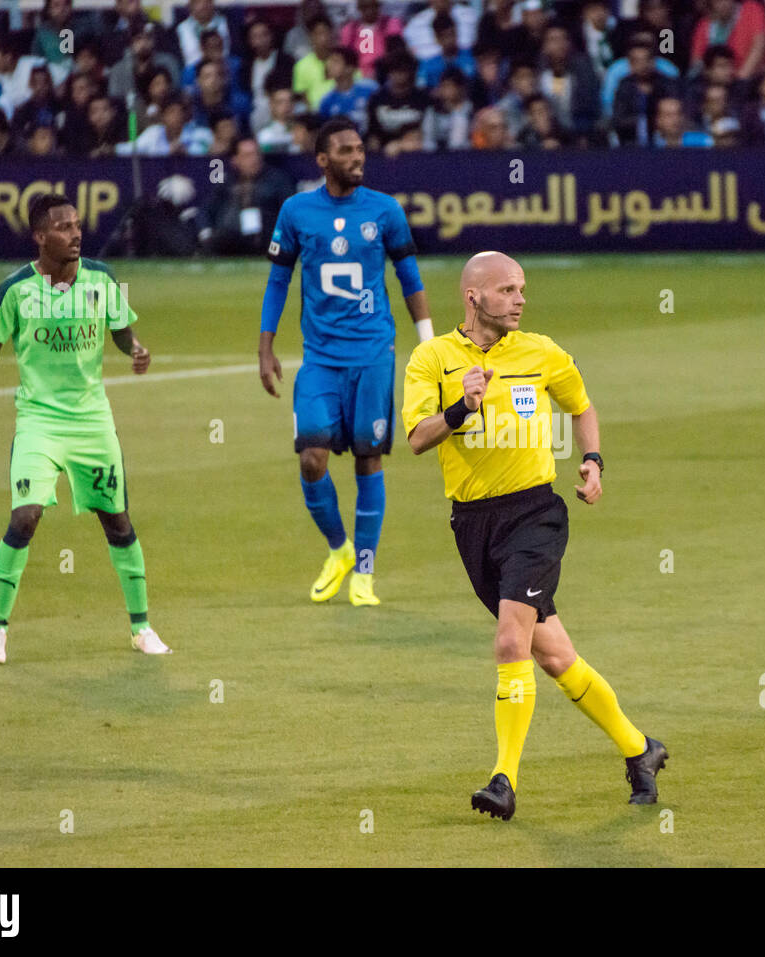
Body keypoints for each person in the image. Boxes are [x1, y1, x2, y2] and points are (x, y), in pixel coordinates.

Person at [400, 250, 668, 821]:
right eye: (507, 290)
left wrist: (593, 459)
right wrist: (459, 407)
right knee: (553, 656)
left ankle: (504, 780)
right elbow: (418, 439)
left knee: (508, 643)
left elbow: (581, 404)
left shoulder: (541, 352)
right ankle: (640, 749)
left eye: (522, 289)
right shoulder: (433, 359)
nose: (520, 299)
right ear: (473, 297)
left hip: (534, 517)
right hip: (472, 524)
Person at [0, 193, 170, 665]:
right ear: (39, 236)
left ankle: (141, 628)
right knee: (25, 517)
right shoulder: (15, 289)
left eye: (77, 225)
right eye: (63, 227)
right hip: (39, 421)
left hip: (93, 421)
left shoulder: (102, 278)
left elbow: (118, 328)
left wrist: (135, 347)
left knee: (117, 521)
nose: (75, 233)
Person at [257, 118, 435, 607]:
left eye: (360, 150)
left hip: (374, 353)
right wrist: (266, 344)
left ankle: (365, 572)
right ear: (322, 160)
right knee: (311, 457)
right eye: (346, 151)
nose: (357, 157)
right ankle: (339, 550)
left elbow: (408, 275)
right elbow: (278, 281)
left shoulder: (385, 210)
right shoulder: (296, 211)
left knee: (368, 457)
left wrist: (428, 341)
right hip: (320, 359)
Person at [198, 135, 294, 253]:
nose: (254, 160)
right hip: (230, 237)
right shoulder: (226, 182)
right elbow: (206, 209)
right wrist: (206, 232)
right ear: (235, 160)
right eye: (248, 156)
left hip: (266, 238)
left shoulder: (277, 180)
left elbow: (290, 211)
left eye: (256, 154)